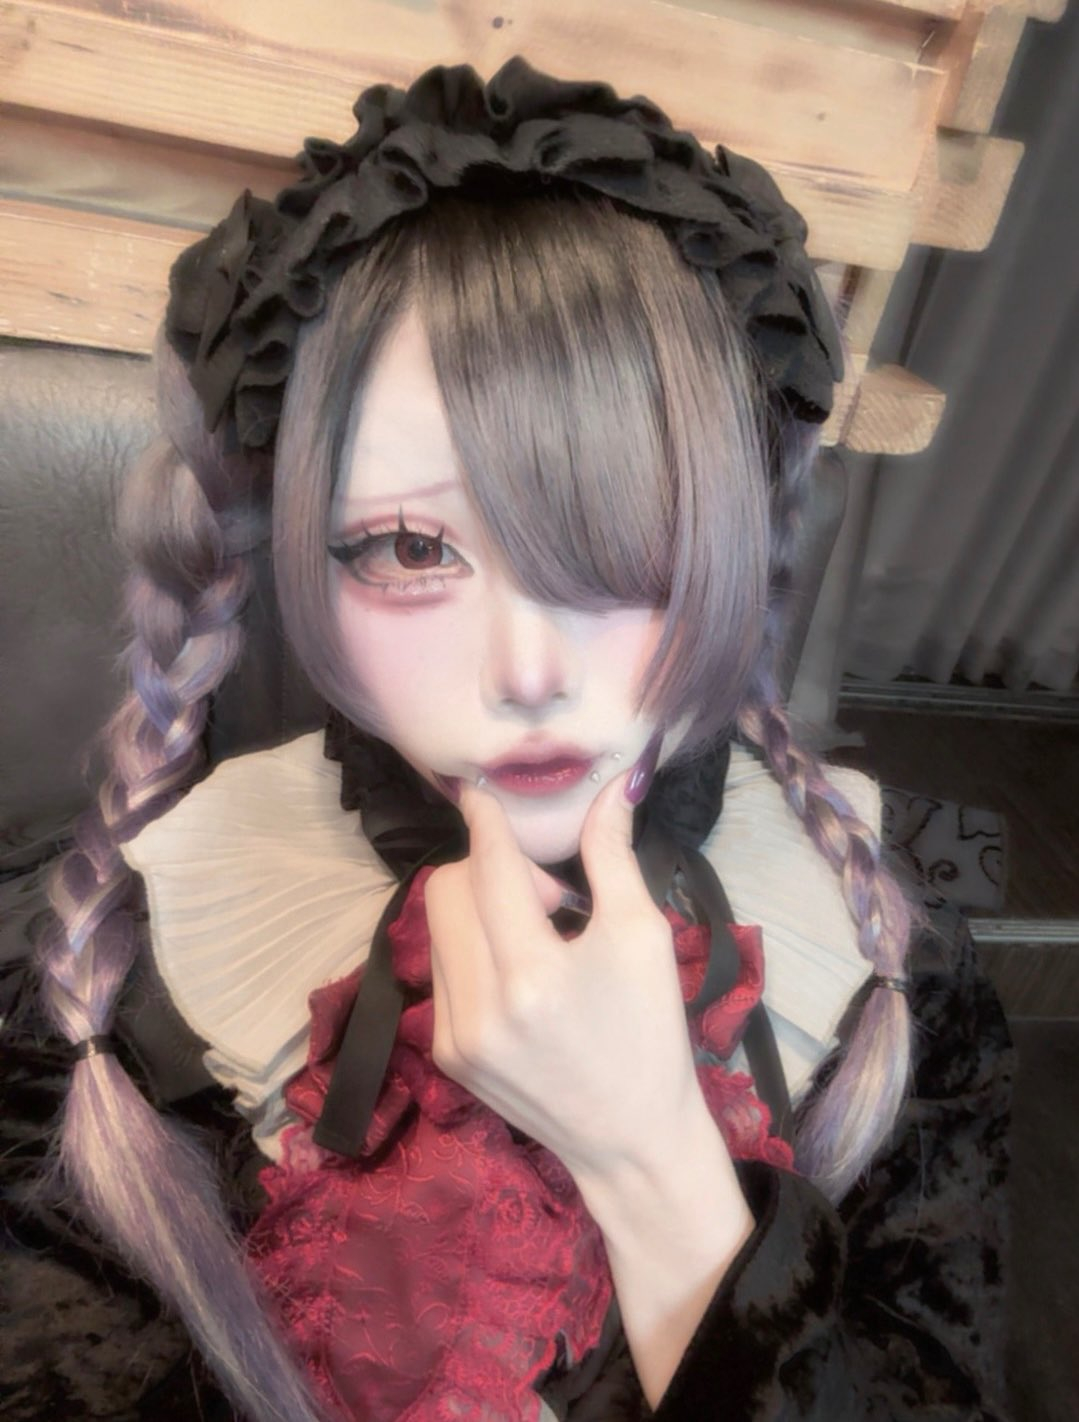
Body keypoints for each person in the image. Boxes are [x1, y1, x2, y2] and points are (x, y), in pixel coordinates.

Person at [20, 54, 1013, 1422]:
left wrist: (653, 1162)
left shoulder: (897, 969)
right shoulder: (119, 965)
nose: (530, 672)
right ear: (300, 557)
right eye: (410, 548)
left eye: (628, 544)